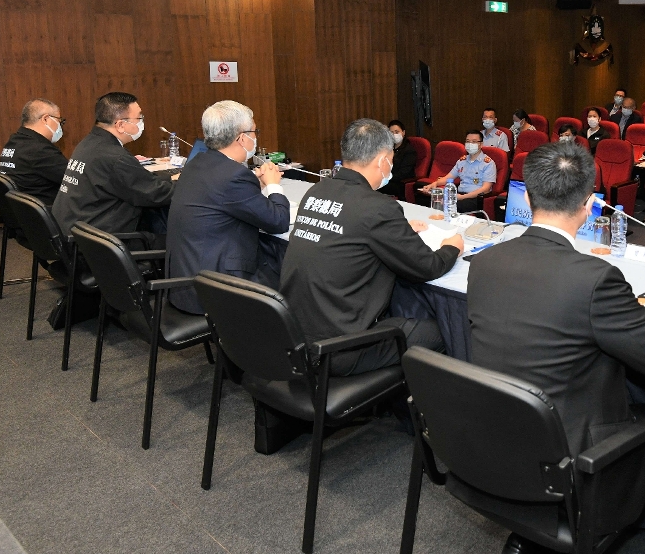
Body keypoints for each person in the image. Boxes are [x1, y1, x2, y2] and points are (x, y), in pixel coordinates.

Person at [466, 141, 645, 554]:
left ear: (528, 197)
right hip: (570, 460)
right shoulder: (595, 279)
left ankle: (534, 539)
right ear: (591, 204)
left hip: (497, 439)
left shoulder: (485, 261)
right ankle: (577, 549)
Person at [281, 119, 461, 379]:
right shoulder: (377, 207)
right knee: (448, 333)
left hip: (296, 335)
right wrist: (451, 247)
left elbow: (352, 229)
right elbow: (429, 267)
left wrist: (397, 230)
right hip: (340, 347)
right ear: (382, 160)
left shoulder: (317, 192)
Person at [166, 100, 290, 314]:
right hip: (214, 289)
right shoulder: (233, 176)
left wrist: (255, 186)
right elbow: (278, 221)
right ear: (241, 138)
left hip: (186, 282)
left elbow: (224, 197)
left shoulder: (197, 163)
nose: (255, 137)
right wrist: (273, 185)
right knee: (291, 272)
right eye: (254, 131)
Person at [53, 91, 176, 240]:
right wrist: (187, 183)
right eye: (139, 118)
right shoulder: (115, 157)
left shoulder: (90, 143)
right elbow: (156, 194)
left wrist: (170, 179)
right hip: (101, 241)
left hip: (77, 230)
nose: (142, 122)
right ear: (121, 125)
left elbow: (138, 182)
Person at [0, 98, 69, 207]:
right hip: (48, 211)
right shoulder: (40, 150)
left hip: (22, 211)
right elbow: (76, 180)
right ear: (46, 119)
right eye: (60, 121)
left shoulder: (14, 141)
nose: (60, 127)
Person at [382, 120, 417, 198]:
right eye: (391, 133)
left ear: (403, 132)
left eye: (397, 132)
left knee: (375, 186)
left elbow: (403, 173)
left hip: (401, 183)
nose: (394, 135)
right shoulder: (388, 149)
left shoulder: (409, 150)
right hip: (388, 180)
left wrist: (385, 178)